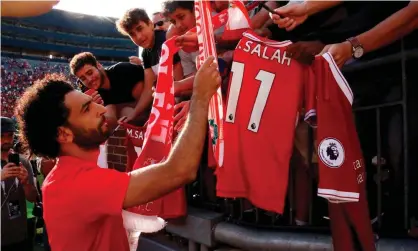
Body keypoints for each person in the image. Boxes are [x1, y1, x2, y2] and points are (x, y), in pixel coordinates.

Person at [14, 56, 220, 251]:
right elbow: (179, 171)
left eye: (93, 101)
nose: (101, 109)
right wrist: (200, 97)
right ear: (63, 134)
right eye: (87, 109)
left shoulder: (65, 178)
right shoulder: (79, 183)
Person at [116, 8, 183, 123]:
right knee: (128, 112)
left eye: (140, 29)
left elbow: (180, 82)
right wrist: (134, 114)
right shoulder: (146, 53)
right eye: (132, 34)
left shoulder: (165, 40)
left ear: (150, 24)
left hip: (188, 95)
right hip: (173, 98)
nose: (139, 37)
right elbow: (148, 90)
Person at [70, 52, 147, 125]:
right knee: (108, 112)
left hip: (149, 113)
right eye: (83, 78)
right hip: (126, 120)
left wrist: (127, 111)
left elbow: (149, 95)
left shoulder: (123, 71)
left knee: (124, 111)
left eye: (90, 73)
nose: (89, 79)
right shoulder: (88, 90)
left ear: (98, 65)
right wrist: (91, 108)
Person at [1, 116, 38, 251]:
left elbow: (33, 198)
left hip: (19, 235)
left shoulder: (23, 162)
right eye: (1, 135)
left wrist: (26, 183)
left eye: (9, 135)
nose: (6, 140)